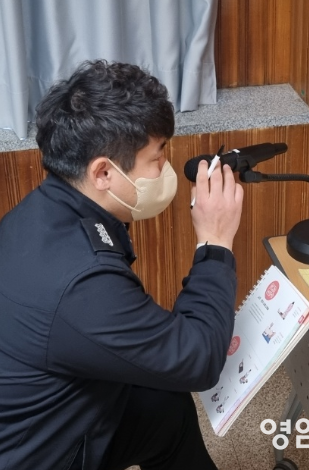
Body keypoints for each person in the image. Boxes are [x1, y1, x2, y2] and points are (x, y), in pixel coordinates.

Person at [0, 60, 243, 470]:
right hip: (38, 454)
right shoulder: (81, 283)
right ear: (103, 173)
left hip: (50, 401)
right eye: (157, 156)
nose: (166, 169)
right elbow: (198, 359)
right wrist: (215, 242)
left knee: (165, 407)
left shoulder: (40, 212)